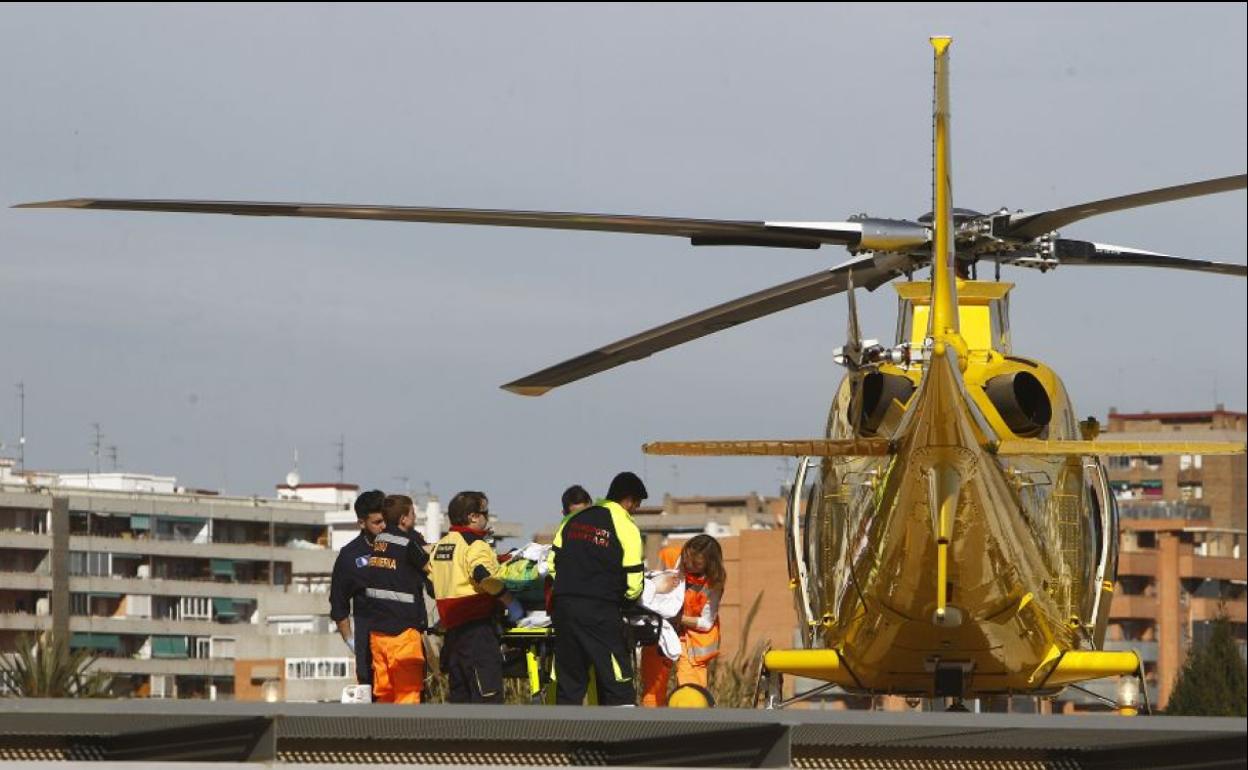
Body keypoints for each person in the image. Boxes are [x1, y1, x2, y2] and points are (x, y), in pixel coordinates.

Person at [550, 471, 647, 706]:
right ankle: (621, 739)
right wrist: (627, 600)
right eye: (637, 504)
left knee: (569, 683)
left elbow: (553, 564)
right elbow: (634, 581)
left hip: (564, 607)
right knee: (618, 681)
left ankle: (564, 739)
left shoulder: (572, 520)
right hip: (599, 610)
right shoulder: (625, 525)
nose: (635, 510)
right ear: (628, 500)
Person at [430, 490, 520, 703]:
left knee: (461, 701)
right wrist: (511, 602)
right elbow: (483, 576)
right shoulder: (475, 544)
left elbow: (431, 583)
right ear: (472, 516)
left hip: (452, 637)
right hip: (478, 635)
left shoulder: (441, 546)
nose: (487, 517)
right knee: (487, 699)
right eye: (485, 512)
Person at [360, 493, 431, 703]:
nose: (415, 517)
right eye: (413, 513)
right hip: (403, 634)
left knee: (385, 695)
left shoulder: (379, 542)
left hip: (378, 635)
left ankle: (386, 735)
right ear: (403, 519)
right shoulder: (407, 544)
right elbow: (431, 570)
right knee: (407, 696)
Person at [640, 534, 725, 707]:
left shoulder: (714, 583)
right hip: (662, 629)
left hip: (692, 638)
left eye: (696, 564)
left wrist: (679, 618)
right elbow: (650, 585)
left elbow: (706, 622)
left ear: (709, 565)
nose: (689, 565)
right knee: (653, 690)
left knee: (691, 694)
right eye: (687, 559)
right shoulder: (669, 557)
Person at [329, 489, 387, 690]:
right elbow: (338, 605)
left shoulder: (402, 544)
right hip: (368, 646)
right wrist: (352, 643)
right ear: (362, 523)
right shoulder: (349, 556)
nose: (383, 526)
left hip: (401, 642)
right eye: (377, 522)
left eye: (385, 520)